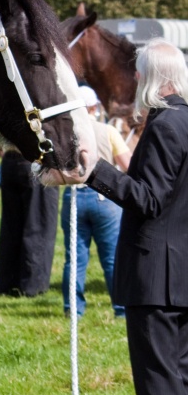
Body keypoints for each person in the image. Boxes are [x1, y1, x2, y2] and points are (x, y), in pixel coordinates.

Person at [85, 38, 188, 395]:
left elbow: (148, 199)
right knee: (178, 380)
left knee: (160, 383)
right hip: (179, 271)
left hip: (158, 275)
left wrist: (94, 170)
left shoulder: (168, 124)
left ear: (154, 77)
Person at [61, 86, 131, 318]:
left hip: (73, 198)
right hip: (105, 199)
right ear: (93, 107)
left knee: (75, 259)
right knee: (112, 258)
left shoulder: (64, 133)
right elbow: (127, 165)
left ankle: (74, 309)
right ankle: (121, 308)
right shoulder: (108, 130)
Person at [0, 141, 58, 297]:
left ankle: (8, 282)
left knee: (11, 226)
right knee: (39, 223)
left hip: (10, 160)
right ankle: (32, 285)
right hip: (37, 161)